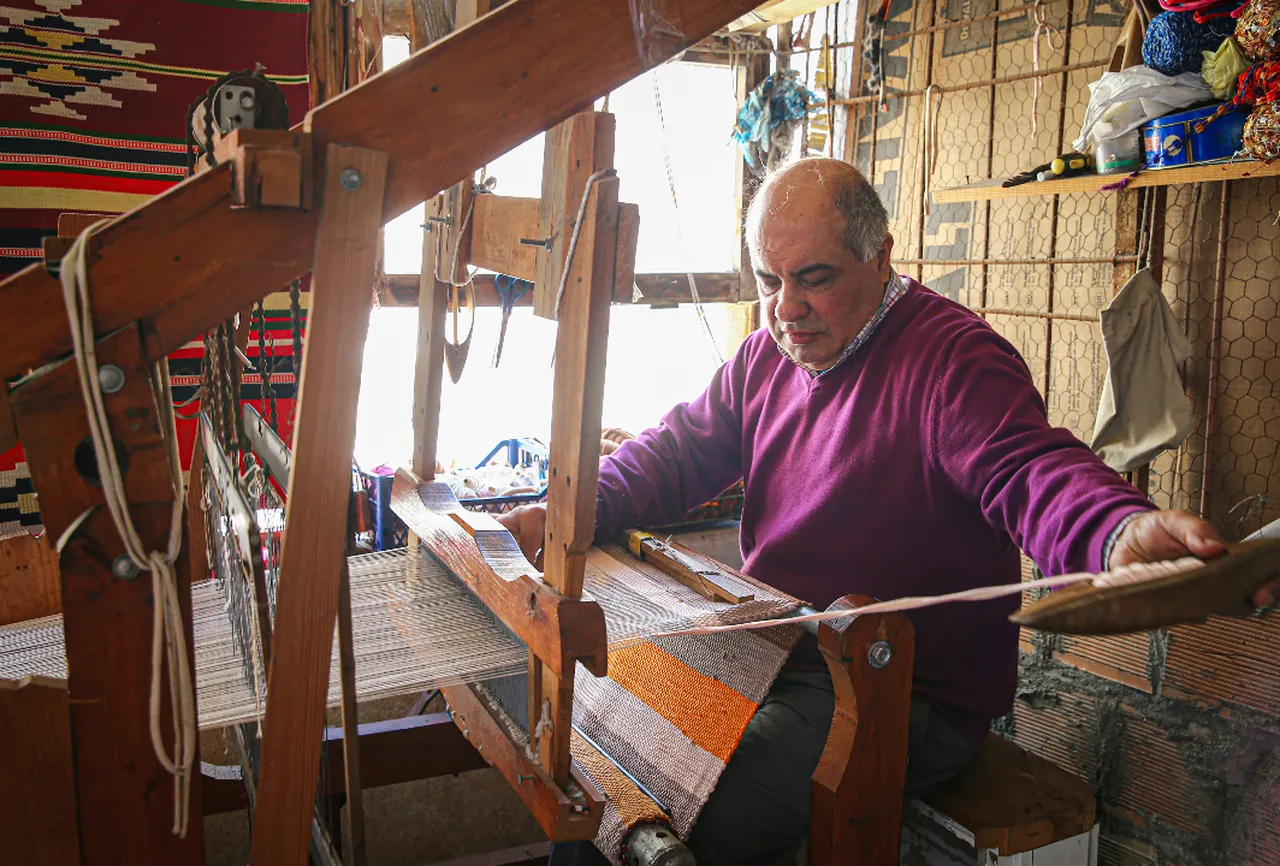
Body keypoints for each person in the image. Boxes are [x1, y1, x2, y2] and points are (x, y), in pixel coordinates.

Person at [498, 157, 1275, 866]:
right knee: (600, 760)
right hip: (780, 653)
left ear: (882, 255)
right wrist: (566, 510)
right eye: (769, 279)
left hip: (904, 692)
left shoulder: (952, 361)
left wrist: (1113, 531)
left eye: (814, 278)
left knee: (690, 815)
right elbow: (677, 451)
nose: (786, 308)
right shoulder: (766, 356)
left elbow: (1029, 467)